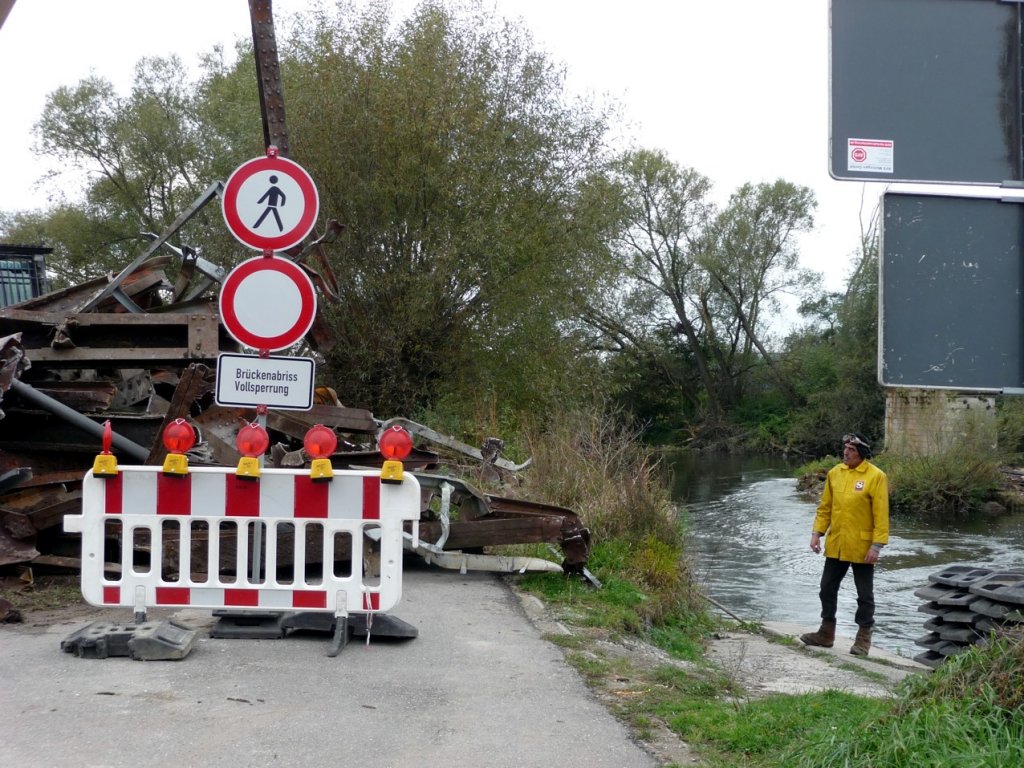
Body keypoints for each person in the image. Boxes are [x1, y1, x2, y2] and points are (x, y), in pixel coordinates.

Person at [800, 432, 889, 656]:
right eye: (845, 449)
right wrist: (816, 533)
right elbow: (825, 508)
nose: (846, 453)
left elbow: (881, 514)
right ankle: (826, 633)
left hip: (863, 546)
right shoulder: (835, 473)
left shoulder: (876, 476)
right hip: (837, 543)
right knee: (826, 588)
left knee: (864, 594)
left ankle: (863, 639)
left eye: (851, 450)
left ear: (861, 453)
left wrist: (876, 545)